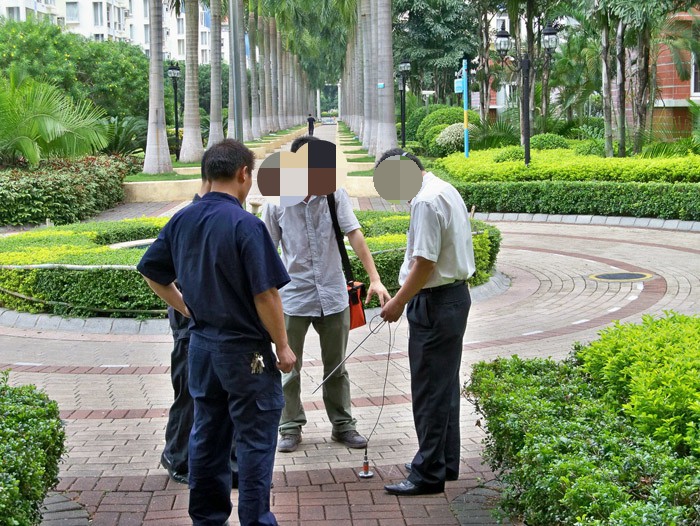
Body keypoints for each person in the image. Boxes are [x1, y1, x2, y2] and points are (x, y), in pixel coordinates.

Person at [137, 139, 296, 526]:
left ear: (206, 175)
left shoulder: (182, 219)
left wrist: (186, 307)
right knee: (255, 441)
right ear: (244, 174)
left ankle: (206, 518)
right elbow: (266, 295)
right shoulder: (246, 224)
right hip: (246, 355)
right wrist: (284, 346)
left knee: (207, 435)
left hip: (201, 348)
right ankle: (256, 520)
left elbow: (151, 272)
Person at [262, 135, 392, 453]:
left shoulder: (335, 196)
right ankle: (290, 427)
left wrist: (374, 279)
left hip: (333, 295)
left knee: (337, 366)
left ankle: (343, 425)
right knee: (287, 368)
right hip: (293, 298)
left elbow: (354, 235)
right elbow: (264, 252)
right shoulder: (276, 201)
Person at [378, 149, 475, 497]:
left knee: (429, 391)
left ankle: (427, 473)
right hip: (453, 299)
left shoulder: (425, 201)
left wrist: (397, 303)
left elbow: (424, 263)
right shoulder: (443, 188)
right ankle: (443, 460)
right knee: (443, 385)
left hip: (434, 304)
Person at [159, 150, 240, 489]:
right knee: (189, 393)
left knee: (223, 396)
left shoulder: (229, 216)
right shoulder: (187, 218)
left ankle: (227, 463)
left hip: (221, 329)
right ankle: (178, 458)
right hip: (192, 327)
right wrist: (184, 308)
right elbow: (154, 271)